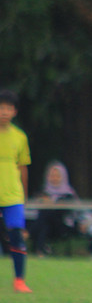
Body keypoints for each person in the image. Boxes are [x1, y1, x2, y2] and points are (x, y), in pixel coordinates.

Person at [0, 89, 32, 292]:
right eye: (1, 108)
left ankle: (19, 280)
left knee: (16, 236)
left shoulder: (20, 137)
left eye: (8, 108)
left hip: (13, 196)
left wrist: (24, 196)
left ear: (14, 112)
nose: (4, 112)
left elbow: (23, 167)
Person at [29, 161, 92, 256]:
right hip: (46, 226)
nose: (54, 179)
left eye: (57, 176)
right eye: (52, 176)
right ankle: (41, 250)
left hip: (63, 227)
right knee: (44, 221)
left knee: (46, 214)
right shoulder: (42, 193)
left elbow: (75, 212)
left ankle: (32, 238)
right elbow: (32, 212)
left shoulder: (69, 195)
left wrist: (51, 203)